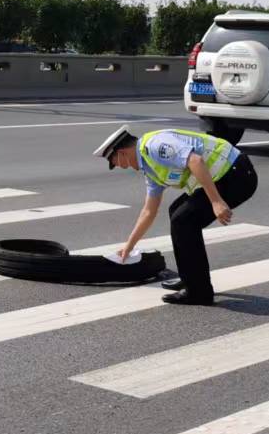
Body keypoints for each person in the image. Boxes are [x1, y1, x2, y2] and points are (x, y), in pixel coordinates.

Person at [95, 126, 258, 306]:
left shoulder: (156, 146)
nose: (121, 166)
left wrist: (216, 202)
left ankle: (199, 293)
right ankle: (190, 278)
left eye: (117, 162)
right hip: (224, 176)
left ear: (122, 153)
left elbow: (195, 161)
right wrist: (129, 246)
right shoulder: (150, 168)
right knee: (177, 212)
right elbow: (149, 211)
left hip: (237, 175)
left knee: (184, 221)